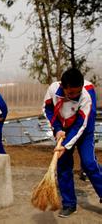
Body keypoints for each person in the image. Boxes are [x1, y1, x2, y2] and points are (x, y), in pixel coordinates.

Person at [43, 68, 102, 218]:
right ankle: (69, 204)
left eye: (78, 92)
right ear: (63, 87)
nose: (75, 95)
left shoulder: (86, 97)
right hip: (63, 128)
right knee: (63, 165)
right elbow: (47, 109)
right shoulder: (53, 90)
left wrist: (65, 145)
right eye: (71, 93)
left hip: (83, 129)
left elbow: (80, 125)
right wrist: (57, 129)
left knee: (89, 163)